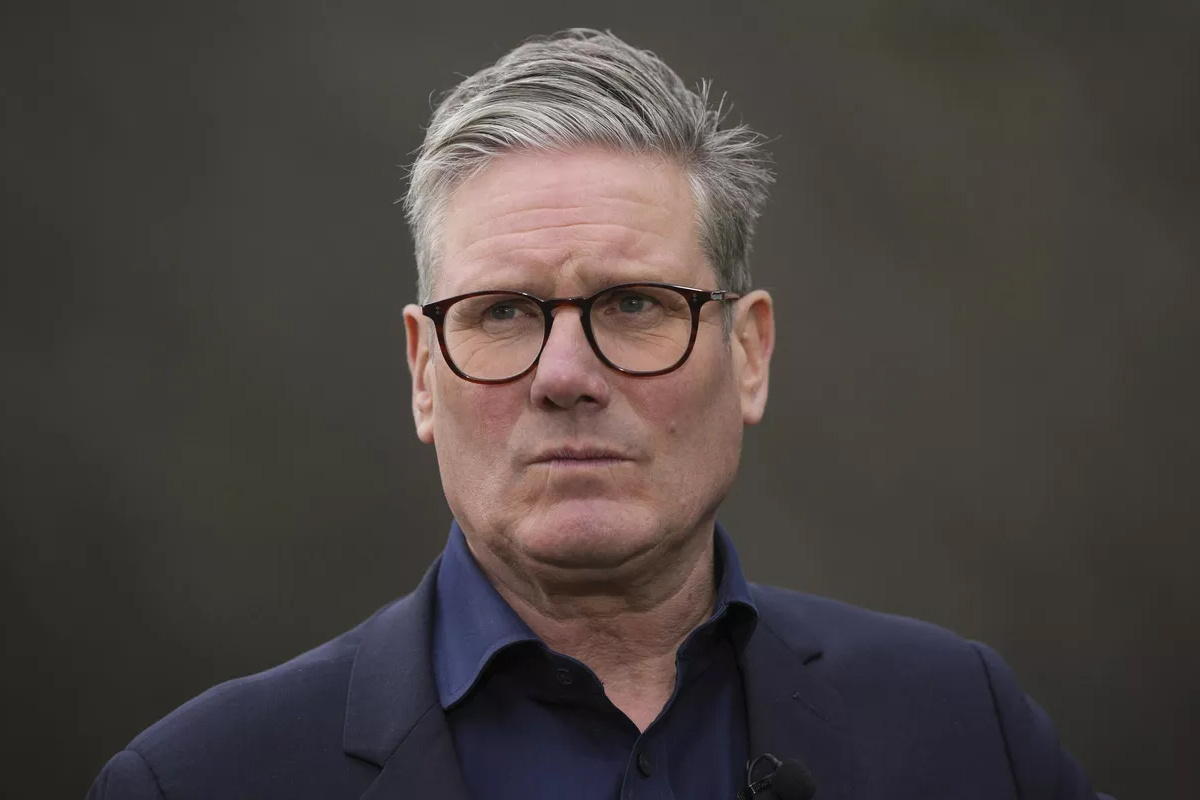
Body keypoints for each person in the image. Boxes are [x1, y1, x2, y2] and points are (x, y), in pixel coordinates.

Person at [87, 29, 1113, 800]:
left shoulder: (963, 728)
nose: (566, 375)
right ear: (422, 372)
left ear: (749, 353)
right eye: (501, 312)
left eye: (633, 304)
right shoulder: (198, 780)